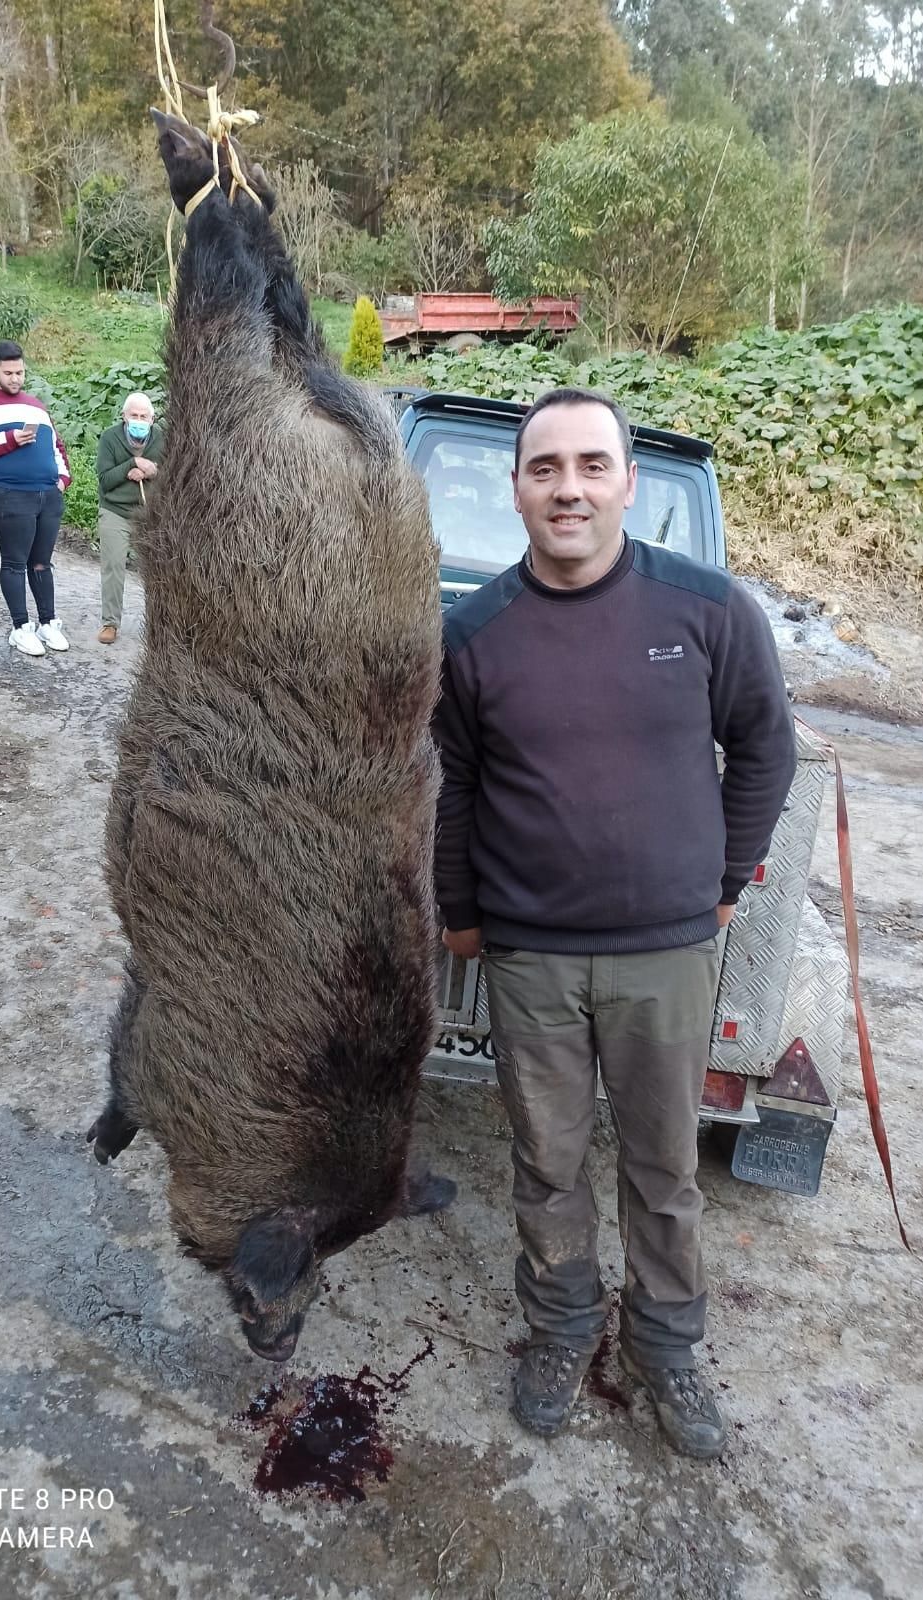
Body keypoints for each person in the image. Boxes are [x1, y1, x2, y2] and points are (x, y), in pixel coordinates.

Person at [433, 386, 797, 1461]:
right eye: (545, 468)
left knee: (664, 1168)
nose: (569, 488)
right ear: (516, 490)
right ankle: (559, 1329)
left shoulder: (707, 610)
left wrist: (722, 879)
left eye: (592, 465)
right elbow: (455, 785)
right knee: (546, 1164)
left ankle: (666, 1345)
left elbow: (766, 749)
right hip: (531, 956)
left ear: (630, 483)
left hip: (663, 957)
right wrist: (459, 910)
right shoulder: (476, 633)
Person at [0, 340, 72, 658]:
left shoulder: (36, 405)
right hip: (7, 494)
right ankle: (21, 627)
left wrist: (62, 481)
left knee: (41, 562)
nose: (15, 378)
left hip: (47, 494)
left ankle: (47, 622)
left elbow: (56, 446)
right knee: (15, 562)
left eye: (20, 372)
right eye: (8, 372)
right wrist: (9, 439)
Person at [94, 391, 162, 644]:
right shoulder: (110, 438)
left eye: (144, 416)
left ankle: (159, 625)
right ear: (124, 416)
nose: (139, 419)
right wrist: (131, 464)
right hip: (116, 511)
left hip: (149, 512)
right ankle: (110, 623)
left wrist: (153, 470)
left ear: (152, 419)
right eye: (134, 415)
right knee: (114, 566)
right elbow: (105, 481)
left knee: (158, 570)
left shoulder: (161, 439)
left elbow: (172, 476)